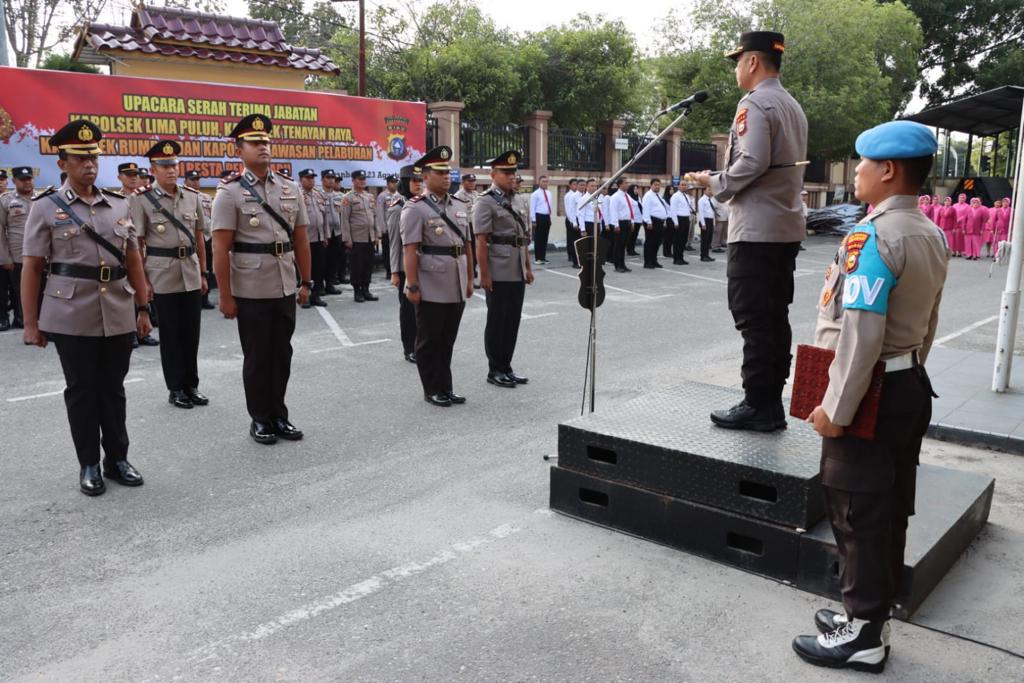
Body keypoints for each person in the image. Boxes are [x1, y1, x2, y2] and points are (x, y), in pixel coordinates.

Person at [791, 120, 946, 674]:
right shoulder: (930, 232)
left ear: (887, 171)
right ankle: (868, 618)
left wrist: (837, 408)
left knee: (855, 512)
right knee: (888, 507)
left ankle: (862, 637)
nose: (855, 171)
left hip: (870, 389)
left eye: (861, 163)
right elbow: (927, 322)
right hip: (906, 384)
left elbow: (861, 335)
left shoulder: (873, 237)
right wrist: (908, 374)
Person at [20, 119, 150, 496]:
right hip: (71, 313)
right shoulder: (46, 207)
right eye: (79, 158)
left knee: (113, 388)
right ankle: (89, 463)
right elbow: (32, 266)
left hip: (119, 309)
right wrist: (31, 323)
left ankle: (118, 459)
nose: (89, 164)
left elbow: (134, 259)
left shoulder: (119, 204)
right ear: (63, 162)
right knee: (82, 389)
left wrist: (143, 308)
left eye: (93, 156)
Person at [691, 30, 808, 431]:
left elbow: (753, 161)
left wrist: (714, 182)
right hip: (784, 226)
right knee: (774, 317)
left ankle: (758, 403)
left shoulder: (755, 103)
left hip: (756, 229)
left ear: (754, 61)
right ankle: (769, 401)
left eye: (739, 61)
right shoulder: (791, 104)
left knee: (754, 317)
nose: (737, 69)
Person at [210, 114, 312, 445]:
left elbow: (300, 239)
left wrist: (306, 281)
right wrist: (225, 296)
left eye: (266, 142)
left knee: (282, 353)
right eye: (255, 143)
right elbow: (221, 249)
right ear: (239, 149)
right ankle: (260, 418)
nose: (263, 147)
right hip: (250, 288)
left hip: (283, 282)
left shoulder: (289, 187)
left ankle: (279, 414)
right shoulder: (229, 193)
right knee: (257, 357)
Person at [129, 141, 209, 410]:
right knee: (172, 335)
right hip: (161, 273)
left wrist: (204, 272)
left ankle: (192, 384)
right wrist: (144, 282)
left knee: (192, 334)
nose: (171, 170)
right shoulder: (141, 199)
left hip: (190, 269)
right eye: (164, 166)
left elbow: (199, 237)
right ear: (154, 169)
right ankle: (175, 388)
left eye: (174, 165)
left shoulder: (192, 196)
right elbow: (137, 244)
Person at [399, 145, 474, 407]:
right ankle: (432, 388)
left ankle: (446, 386)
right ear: (425, 176)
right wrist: (413, 285)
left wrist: (470, 277)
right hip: (431, 281)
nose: (446, 177)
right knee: (429, 339)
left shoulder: (459, 205)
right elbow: (410, 250)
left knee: (447, 339)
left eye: (448, 172)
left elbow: (467, 244)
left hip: (455, 280)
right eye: (440, 172)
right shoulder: (415, 207)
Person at [475, 150, 535, 388]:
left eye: (513, 172)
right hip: (498, 269)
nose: (511, 176)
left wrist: (528, 267)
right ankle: (495, 369)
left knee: (512, 320)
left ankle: (507, 366)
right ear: (493, 174)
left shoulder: (519, 199)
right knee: (497, 320)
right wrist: (484, 274)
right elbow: (480, 241)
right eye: (506, 172)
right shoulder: (485, 201)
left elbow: (523, 239)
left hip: (517, 268)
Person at [387, 163, 422, 363]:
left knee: (422, 310)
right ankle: (409, 347)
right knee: (408, 311)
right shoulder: (397, 208)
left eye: (420, 180)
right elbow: (393, 243)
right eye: (414, 181)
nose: (418, 184)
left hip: (422, 264)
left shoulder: (422, 203)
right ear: (405, 183)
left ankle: (421, 344)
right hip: (403, 266)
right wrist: (395, 272)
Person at [0, 166, 36, 331]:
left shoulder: (43, 199)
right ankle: (23, 320)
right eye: (23, 180)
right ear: (14, 181)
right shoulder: (6, 200)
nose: (27, 182)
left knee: (42, 291)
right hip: (18, 255)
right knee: (21, 291)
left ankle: (39, 321)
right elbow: (1, 231)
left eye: (29, 178)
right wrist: (4, 258)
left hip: (42, 254)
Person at [341, 169, 380, 303]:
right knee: (356, 265)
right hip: (356, 238)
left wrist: (376, 235)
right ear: (353, 181)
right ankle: (357, 291)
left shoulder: (369, 197)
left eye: (364, 179)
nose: (362, 181)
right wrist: (347, 238)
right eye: (359, 179)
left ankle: (366, 289)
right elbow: (344, 219)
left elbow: (374, 216)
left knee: (368, 264)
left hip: (369, 237)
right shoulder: (348, 198)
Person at [184, 170, 216, 310]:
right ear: (186, 181)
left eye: (197, 179)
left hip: (206, 237)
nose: (196, 182)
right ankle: (193, 298)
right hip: (190, 238)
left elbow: (212, 217)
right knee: (191, 267)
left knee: (206, 267)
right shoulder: (182, 196)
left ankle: (205, 297)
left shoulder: (206, 197)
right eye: (192, 179)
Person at [298, 168, 329, 308]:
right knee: (306, 270)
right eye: (308, 178)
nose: (311, 180)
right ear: (301, 180)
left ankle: (316, 295)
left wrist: (325, 235)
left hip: (318, 238)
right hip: (304, 239)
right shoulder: (297, 194)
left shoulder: (318, 195)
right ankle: (305, 297)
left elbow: (325, 217)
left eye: (312, 178)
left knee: (318, 268)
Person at [322, 169, 347, 287]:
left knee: (334, 259)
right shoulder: (318, 195)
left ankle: (330, 284)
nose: (331, 180)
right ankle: (320, 285)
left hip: (336, 232)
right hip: (323, 233)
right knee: (322, 260)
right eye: (328, 177)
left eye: (333, 177)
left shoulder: (339, 196)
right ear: (322, 180)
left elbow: (343, 215)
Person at [641, 179, 669, 268]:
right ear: (651, 185)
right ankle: (648, 262)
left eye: (658, 185)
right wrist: (648, 221)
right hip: (652, 221)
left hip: (659, 222)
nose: (657, 186)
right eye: (655, 185)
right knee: (650, 242)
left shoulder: (658, 196)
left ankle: (654, 260)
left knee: (657, 242)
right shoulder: (648, 196)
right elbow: (645, 209)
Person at [377, 174, 400, 278]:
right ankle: (389, 271)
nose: (394, 184)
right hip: (387, 228)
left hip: (398, 228)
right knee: (387, 251)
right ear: (387, 183)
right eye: (392, 182)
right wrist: (382, 229)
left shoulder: (399, 196)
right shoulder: (382, 196)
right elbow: (380, 213)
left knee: (397, 249)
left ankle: (397, 269)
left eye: (396, 182)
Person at [608, 178, 633, 272]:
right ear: (620, 185)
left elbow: (630, 210)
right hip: (619, 223)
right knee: (618, 245)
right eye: (626, 183)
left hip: (627, 222)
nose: (628, 184)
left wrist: (631, 221)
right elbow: (613, 211)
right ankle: (617, 265)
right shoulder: (615, 197)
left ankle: (623, 264)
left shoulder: (627, 196)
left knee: (623, 245)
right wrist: (616, 225)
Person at [530, 175, 554, 265]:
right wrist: (533, 220)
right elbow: (532, 208)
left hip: (546, 217)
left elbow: (549, 206)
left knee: (545, 238)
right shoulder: (535, 194)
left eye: (546, 181)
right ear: (539, 182)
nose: (545, 183)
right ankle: (538, 258)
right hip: (538, 216)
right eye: (543, 181)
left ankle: (543, 257)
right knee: (538, 238)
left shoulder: (549, 193)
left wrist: (549, 217)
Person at [669, 183, 692, 265]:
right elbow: (673, 210)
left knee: (683, 240)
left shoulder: (686, 196)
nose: (684, 186)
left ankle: (681, 257)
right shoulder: (675, 196)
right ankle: (676, 259)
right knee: (678, 240)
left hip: (686, 219)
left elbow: (687, 208)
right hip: (679, 219)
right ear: (678, 186)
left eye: (685, 185)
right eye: (682, 185)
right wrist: (675, 222)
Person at [564, 178, 582, 267]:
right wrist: (572, 221)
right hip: (571, 219)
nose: (576, 186)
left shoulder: (580, 195)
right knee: (571, 238)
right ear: (570, 186)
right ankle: (571, 255)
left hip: (577, 219)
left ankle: (575, 255)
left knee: (576, 238)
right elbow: (568, 210)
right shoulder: (569, 195)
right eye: (574, 184)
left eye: (576, 184)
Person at [697, 187, 717, 262]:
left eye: (711, 190)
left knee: (709, 239)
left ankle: (707, 255)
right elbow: (701, 213)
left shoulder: (710, 200)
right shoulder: (702, 200)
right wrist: (703, 224)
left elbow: (712, 212)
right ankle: (703, 256)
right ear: (704, 191)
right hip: (705, 220)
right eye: (709, 190)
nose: (710, 191)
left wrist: (714, 222)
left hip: (710, 220)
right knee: (704, 239)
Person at [626, 184, 643, 257]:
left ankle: (633, 249)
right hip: (632, 219)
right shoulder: (629, 197)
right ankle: (629, 250)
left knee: (635, 235)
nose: (636, 190)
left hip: (638, 219)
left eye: (637, 189)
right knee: (631, 236)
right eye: (634, 189)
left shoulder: (638, 198)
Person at [951, 192, 969, 257]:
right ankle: (953, 251)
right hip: (954, 223)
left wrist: (959, 219)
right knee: (953, 238)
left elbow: (966, 215)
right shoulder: (954, 205)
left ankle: (959, 251)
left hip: (962, 224)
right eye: (960, 197)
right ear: (958, 198)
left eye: (963, 197)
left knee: (960, 238)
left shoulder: (967, 206)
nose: (961, 199)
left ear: (965, 199)